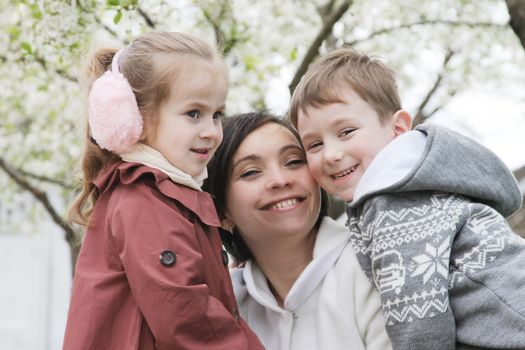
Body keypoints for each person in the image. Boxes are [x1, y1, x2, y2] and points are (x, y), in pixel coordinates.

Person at [289, 47, 525, 349]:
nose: (332, 154)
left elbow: (419, 317)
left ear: (398, 128)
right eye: (314, 144)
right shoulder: (416, 184)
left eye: (346, 131)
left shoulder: (392, 199)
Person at [63, 31, 263, 349]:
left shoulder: (166, 195)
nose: (211, 131)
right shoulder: (143, 200)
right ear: (133, 117)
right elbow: (186, 317)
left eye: (217, 115)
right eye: (193, 114)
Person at [204, 111, 392, 350]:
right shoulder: (222, 304)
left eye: (294, 161)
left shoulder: (375, 264)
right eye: (250, 172)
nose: (281, 180)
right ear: (221, 213)